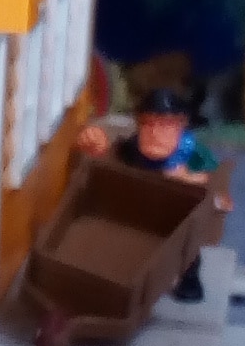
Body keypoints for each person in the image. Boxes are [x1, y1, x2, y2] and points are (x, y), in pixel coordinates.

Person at [77, 86, 227, 300]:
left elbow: (215, 181)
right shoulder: (133, 148)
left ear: (181, 124)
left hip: (177, 216)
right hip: (142, 213)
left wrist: (189, 179)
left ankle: (188, 278)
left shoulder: (193, 153)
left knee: (186, 245)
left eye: (165, 125)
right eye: (149, 124)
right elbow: (114, 159)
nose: (155, 133)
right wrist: (98, 146)